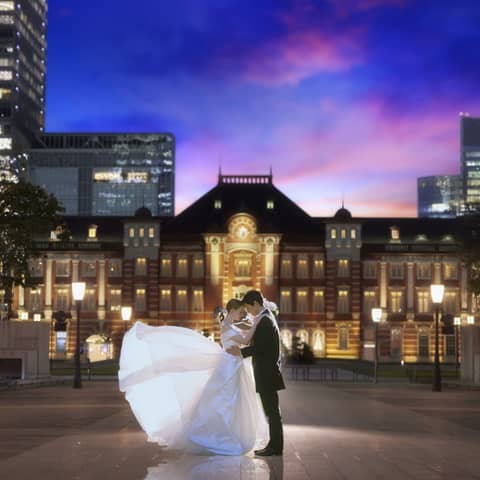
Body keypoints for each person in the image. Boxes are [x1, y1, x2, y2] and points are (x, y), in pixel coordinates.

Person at [118, 299, 267, 455]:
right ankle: (224, 435)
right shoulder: (229, 327)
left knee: (229, 402)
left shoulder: (228, 326)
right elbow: (245, 340)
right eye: (241, 312)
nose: (242, 315)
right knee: (228, 402)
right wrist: (257, 322)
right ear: (232, 311)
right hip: (231, 367)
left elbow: (242, 339)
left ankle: (229, 434)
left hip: (232, 365)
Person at [227, 290, 285, 456]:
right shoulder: (264, 318)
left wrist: (240, 353)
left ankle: (275, 447)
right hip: (267, 372)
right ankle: (274, 445)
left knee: (272, 412)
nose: (249, 312)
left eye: (248, 307)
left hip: (267, 373)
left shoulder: (265, 320)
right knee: (272, 411)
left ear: (255, 304)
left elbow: (260, 348)